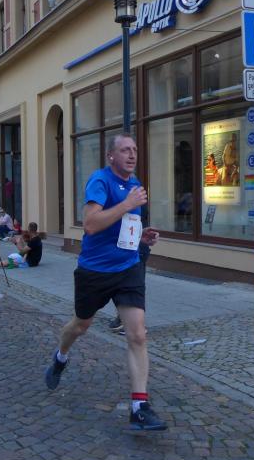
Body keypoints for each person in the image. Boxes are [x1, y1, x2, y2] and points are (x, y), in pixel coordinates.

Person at [43, 133, 167, 431]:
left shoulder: (134, 184)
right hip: (95, 271)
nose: (132, 154)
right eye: (125, 150)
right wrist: (127, 204)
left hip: (128, 267)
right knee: (80, 326)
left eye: (134, 149)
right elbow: (91, 224)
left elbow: (124, 226)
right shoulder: (99, 181)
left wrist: (141, 237)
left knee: (138, 334)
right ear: (111, 156)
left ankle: (139, 407)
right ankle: (60, 356)